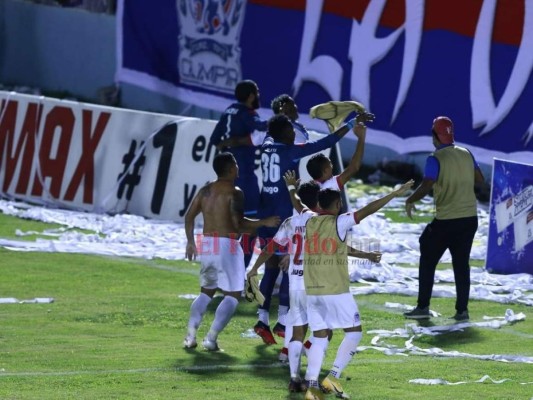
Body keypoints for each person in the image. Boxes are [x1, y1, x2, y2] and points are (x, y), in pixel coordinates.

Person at [252, 113, 361, 346]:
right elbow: (326, 142)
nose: (295, 135)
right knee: (290, 271)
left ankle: (262, 319)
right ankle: (283, 323)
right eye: (291, 131)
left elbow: (272, 135)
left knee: (271, 268)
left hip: (265, 213)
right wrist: (351, 124)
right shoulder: (290, 151)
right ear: (283, 134)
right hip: (284, 215)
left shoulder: (267, 146)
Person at [303, 182, 413, 400]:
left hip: (313, 291)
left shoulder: (309, 222)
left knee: (320, 337)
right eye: (340, 202)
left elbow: (338, 246)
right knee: (354, 332)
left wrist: (366, 255)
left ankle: (312, 386)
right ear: (337, 204)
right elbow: (369, 209)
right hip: (335, 291)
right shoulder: (339, 222)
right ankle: (332, 377)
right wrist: (393, 192)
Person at [183, 153, 279, 351]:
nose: (238, 166)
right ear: (230, 168)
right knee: (233, 296)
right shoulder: (235, 192)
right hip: (227, 245)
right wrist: (264, 223)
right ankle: (210, 339)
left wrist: (191, 242)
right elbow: (239, 225)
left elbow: (189, 216)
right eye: (235, 163)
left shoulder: (205, 190)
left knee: (206, 293)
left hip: (208, 244)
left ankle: (190, 337)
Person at [403, 116, 485, 322]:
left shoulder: (435, 158)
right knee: (461, 264)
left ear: (434, 135)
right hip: (469, 218)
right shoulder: (466, 153)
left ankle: (423, 306)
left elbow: (427, 184)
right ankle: (462, 311)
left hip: (447, 219)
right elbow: (480, 179)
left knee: (427, 256)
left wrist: (410, 199)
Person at [209, 80, 268, 268]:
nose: (258, 96)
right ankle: (238, 274)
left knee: (228, 228)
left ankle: (223, 272)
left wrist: (231, 142)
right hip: (244, 179)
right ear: (251, 96)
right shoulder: (248, 114)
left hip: (224, 180)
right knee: (251, 227)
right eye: (257, 92)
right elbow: (262, 128)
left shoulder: (228, 111)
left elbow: (215, 141)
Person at [306, 112, 374, 190]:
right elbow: (354, 168)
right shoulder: (329, 186)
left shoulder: (309, 187)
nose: (332, 167)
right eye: (330, 165)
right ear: (325, 171)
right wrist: (361, 137)